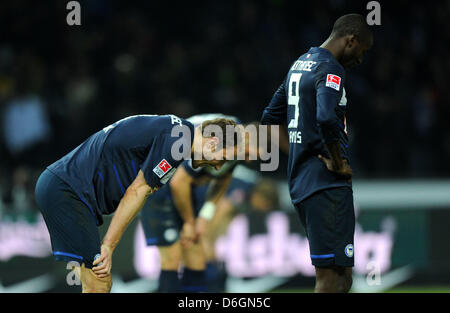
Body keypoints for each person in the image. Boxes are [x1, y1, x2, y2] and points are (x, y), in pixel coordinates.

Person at [34, 114, 239, 293]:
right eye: (222, 157)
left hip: (64, 188)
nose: (218, 165)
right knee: (99, 283)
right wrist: (108, 245)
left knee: (94, 282)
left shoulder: (177, 131)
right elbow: (138, 190)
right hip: (67, 191)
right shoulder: (178, 141)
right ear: (213, 142)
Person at [261, 14, 373, 293]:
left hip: (303, 182)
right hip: (326, 186)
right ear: (351, 40)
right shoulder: (330, 68)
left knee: (341, 276)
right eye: (363, 51)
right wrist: (336, 161)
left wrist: (301, 152)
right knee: (332, 279)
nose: (361, 59)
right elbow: (325, 117)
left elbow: (268, 119)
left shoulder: (300, 64)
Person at [140, 113, 261, 292]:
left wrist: (204, 217)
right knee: (171, 259)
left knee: (196, 258)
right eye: (253, 152)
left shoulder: (237, 145)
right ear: (249, 137)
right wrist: (189, 222)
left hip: (186, 189)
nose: (251, 159)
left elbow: (223, 178)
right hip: (161, 184)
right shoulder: (226, 138)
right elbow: (179, 182)